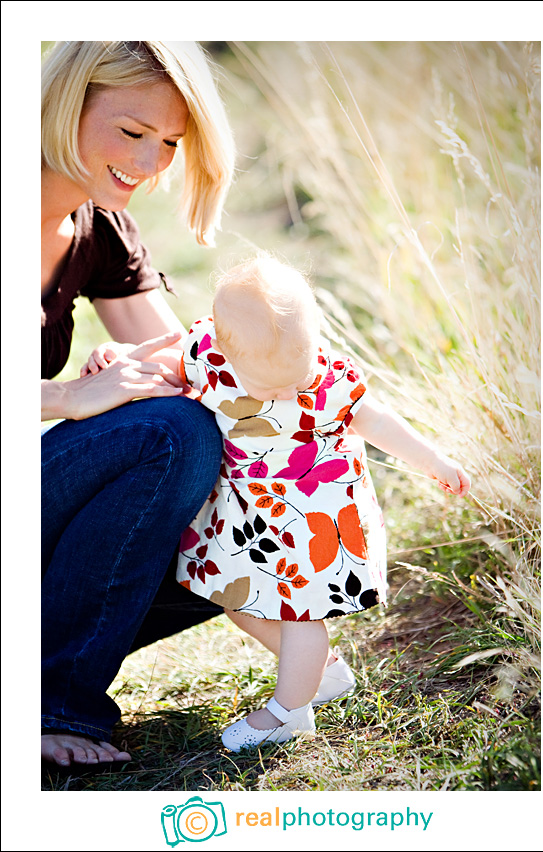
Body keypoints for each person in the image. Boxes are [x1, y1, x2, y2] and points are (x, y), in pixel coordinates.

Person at [88, 254, 470, 751]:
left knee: (301, 617)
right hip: (248, 522)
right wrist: (121, 354)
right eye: (272, 385)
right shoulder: (209, 356)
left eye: (300, 371)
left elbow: (377, 422)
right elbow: (167, 363)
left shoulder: (328, 378)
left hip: (316, 522)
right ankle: (325, 674)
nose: (291, 390)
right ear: (224, 350)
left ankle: (290, 712)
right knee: (235, 599)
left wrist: (433, 459)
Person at [41, 40, 235, 768]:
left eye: (170, 144)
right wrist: (64, 395)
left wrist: (135, 365)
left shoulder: (101, 231)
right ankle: (53, 703)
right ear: (67, 101)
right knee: (167, 435)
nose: (151, 163)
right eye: (131, 132)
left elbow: (197, 376)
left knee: (241, 524)